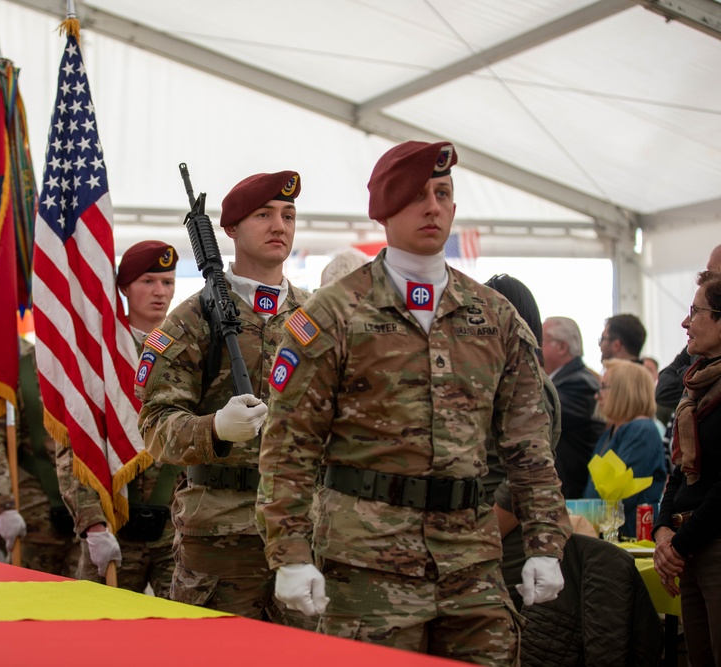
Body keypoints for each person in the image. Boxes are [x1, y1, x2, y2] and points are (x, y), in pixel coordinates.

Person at [256, 141, 570, 664]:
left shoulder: (494, 317)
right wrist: (289, 553)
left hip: (472, 567)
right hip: (367, 569)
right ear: (383, 208)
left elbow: (528, 446)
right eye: (416, 195)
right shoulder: (332, 315)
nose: (433, 207)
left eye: (443, 193)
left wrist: (545, 541)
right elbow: (289, 445)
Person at [138, 170, 315, 626]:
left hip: (302, 530)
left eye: (288, 215)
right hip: (220, 534)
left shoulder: (316, 316)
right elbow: (156, 426)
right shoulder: (191, 321)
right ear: (231, 229)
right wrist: (213, 429)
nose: (280, 226)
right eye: (264, 215)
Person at [58, 240, 183, 596]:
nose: (160, 292)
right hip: (113, 522)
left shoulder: (191, 350)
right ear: (124, 287)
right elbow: (74, 447)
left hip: (175, 527)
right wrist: (93, 524)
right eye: (148, 281)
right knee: (100, 638)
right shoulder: (100, 358)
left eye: (168, 282)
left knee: (185, 637)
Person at [482, 274, 562, 611]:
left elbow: (521, 479)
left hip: (504, 545)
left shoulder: (530, 384)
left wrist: (480, 541)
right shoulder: (500, 376)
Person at [653, 270, 721, 667]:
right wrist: (663, 529)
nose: (685, 321)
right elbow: (677, 470)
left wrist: (678, 544)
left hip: (711, 543)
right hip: (689, 545)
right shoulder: (694, 385)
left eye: (695, 312)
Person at [0, 337, 80, 575]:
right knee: (33, 604)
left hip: (90, 522)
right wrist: (4, 505)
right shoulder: (17, 372)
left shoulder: (95, 366)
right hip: (35, 518)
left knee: (85, 608)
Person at [581, 359, 667, 537]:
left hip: (630, 540)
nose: (597, 395)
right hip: (607, 537)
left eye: (604, 387)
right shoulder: (610, 433)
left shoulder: (641, 431)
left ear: (623, 391)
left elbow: (622, 499)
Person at [654, 243, 721, 425]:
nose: (685, 323)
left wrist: (686, 373)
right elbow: (663, 389)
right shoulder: (699, 347)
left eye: (696, 312)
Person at [542, 316, 605, 499]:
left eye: (541, 340)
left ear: (562, 347)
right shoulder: (569, 379)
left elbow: (541, 411)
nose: (535, 347)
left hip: (574, 495)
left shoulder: (580, 384)